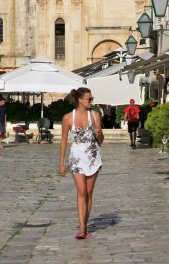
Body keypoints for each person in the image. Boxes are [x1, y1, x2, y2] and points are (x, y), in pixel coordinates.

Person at [59, 87, 103, 240]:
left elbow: (100, 141)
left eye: (92, 99)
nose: (91, 101)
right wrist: (61, 163)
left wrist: (99, 134)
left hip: (93, 157)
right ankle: (82, 227)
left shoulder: (95, 115)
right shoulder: (67, 118)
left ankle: (85, 223)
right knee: (82, 192)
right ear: (80, 100)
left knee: (89, 193)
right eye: (88, 99)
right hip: (77, 158)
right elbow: (63, 141)